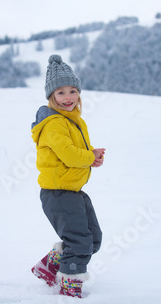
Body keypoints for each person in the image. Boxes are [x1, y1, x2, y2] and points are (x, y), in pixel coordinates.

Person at [30, 54, 105, 298]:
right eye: (61, 93)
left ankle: (48, 266)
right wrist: (87, 157)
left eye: (73, 91)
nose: (68, 98)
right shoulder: (53, 123)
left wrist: (92, 156)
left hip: (72, 190)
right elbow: (69, 155)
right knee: (80, 241)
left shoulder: (74, 121)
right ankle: (70, 289)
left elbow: (79, 153)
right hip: (58, 192)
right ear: (52, 97)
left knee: (93, 238)